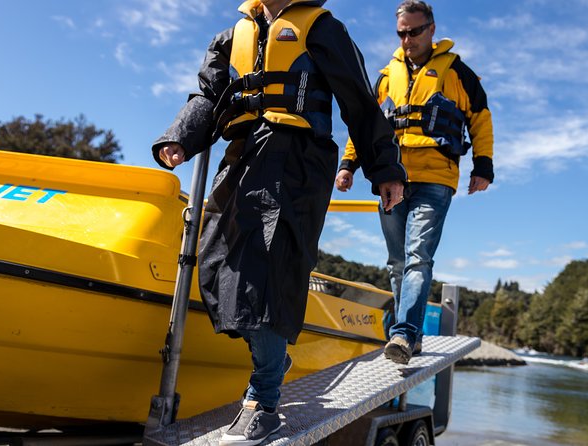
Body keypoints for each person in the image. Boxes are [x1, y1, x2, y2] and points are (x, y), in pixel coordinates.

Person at [152, 0, 405, 444]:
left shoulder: (323, 29)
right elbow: (209, 97)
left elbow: (360, 104)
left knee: (266, 271)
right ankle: (272, 360)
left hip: (297, 162)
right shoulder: (232, 36)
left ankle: (264, 402)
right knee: (215, 265)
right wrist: (179, 137)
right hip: (243, 155)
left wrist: (384, 169)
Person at [335, 0, 494, 365]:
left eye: (414, 32)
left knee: (417, 257)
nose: (407, 40)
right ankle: (411, 337)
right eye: (402, 33)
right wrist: (348, 164)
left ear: (432, 29)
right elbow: (365, 125)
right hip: (391, 178)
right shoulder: (387, 76)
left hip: (436, 178)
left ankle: (403, 334)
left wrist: (482, 165)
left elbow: (481, 119)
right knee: (396, 262)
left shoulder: (457, 72)